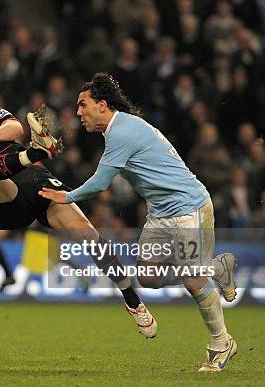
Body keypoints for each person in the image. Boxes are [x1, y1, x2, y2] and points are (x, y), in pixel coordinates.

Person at [0, 77, 157, 337]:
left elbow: (15, 128)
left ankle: (132, 301)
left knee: (90, 236)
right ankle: (35, 153)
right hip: (4, 204)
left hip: (35, 183)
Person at [39, 73, 238, 372]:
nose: (78, 112)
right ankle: (216, 268)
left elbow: (101, 182)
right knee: (147, 277)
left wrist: (66, 197)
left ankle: (221, 343)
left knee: (193, 279)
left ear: (102, 105)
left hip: (189, 207)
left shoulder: (122, 131)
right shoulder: (118, 130)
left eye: (83, 105)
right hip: (160, 213)